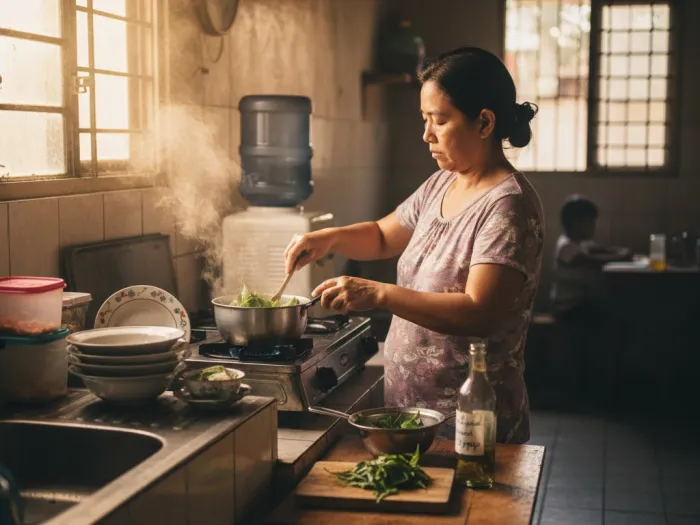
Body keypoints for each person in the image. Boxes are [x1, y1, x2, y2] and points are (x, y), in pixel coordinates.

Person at [284, 47, 544, 444]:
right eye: (425, 119)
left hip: (470, 426)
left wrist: (380, 293)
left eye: (439, 120)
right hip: (416, 417)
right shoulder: (444, 181)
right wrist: (329, 238)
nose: (427, 134)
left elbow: (479, 312)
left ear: (485, 123)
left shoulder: (508, 206)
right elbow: (384, 234)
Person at [550, 194, 632, 402]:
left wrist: (622, 252)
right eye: (589, 223)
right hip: (568, 308)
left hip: (580, 305)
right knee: (613, 323)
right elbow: (594, 261)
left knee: (616, 318)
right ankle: (597, 386)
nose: (593, 227)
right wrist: (622, 256)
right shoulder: (567, 247)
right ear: (576, 224)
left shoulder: (581, 243)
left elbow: (601, 250)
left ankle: (600, 382)